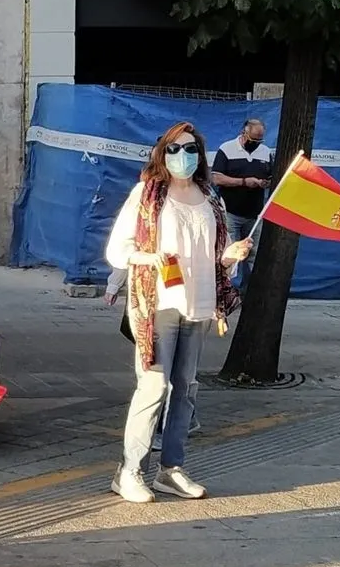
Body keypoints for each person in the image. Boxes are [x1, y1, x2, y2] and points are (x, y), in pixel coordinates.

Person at [106, 121, 252, 504]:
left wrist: (231, 256)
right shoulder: (147, 195)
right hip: (157, 306)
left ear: (200, 156)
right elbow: (116, 250)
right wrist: (149, 257)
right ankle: (129, 471)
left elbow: (219, 256)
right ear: (161, 154)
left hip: (200, 306)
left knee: (185, 390)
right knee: (154, 387)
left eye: (190, 150)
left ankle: (170, 469)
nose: (182, 157)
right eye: (174, 149)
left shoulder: (210, 198)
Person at [103, 267, 200, 448]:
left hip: (173, 302)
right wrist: (114, 284)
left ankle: (160, 429)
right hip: (152, 298)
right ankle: (183, 417)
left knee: (160, 372)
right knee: (163, 369)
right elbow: (129, 248)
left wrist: (114, 284)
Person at [211, 119, 273, 294]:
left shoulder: (266, 152)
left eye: (259, 140)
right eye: (253, 139)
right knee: (231, 254)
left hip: (255, 214)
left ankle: (251, 295)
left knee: (253, 256)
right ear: (244, 133)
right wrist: (244, 182)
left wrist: (264, 183)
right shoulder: (227, 149)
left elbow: (270, 176)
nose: (256, 143)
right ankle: (228, 292)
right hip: (230, 212)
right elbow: (217, 178)